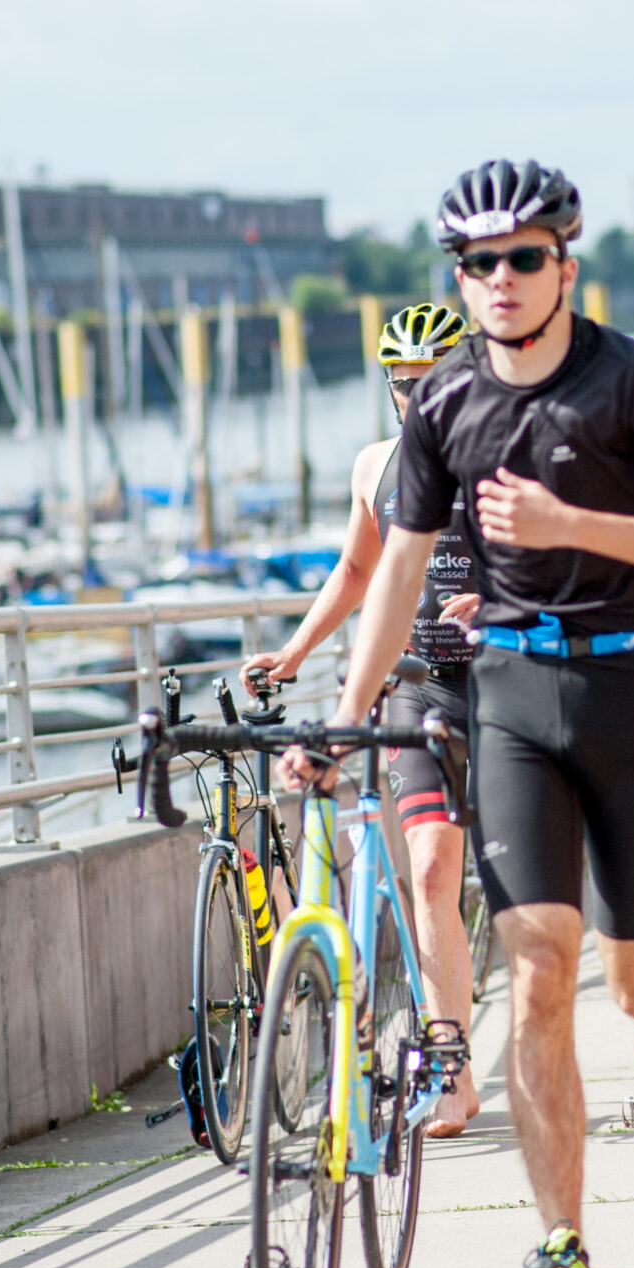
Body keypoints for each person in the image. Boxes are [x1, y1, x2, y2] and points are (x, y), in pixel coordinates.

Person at [325, 158, 634, 1268]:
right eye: (475, 264)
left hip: (627, 681)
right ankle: (563, 1247)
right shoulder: (445, 403)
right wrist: (351, 716)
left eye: (521, 259)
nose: (498, 281)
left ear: (565, 263)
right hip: (506, 690)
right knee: (541, 963)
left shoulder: (633, 383)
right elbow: (393, 570)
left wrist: (572, 527)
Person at [244, 301, 483, 1136]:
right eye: (401, 386)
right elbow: (357, 569)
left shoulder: (508, 456)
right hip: (420, 688)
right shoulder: (375, 466)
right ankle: (451, 1065)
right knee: (425, 871)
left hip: (513, 685)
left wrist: (508, 597)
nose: (416, 402)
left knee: (534, 899)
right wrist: (297, 652)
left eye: (434, 385)